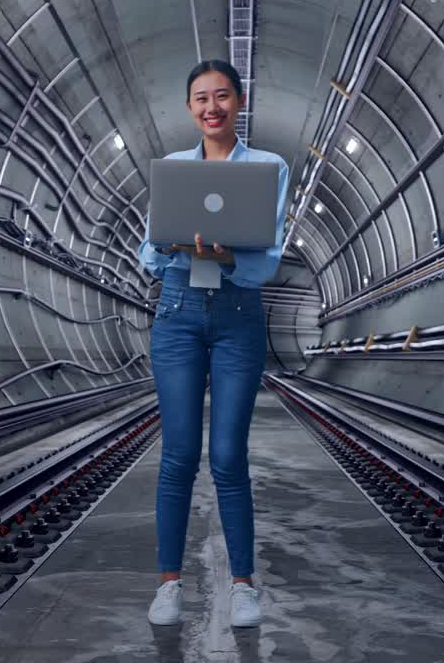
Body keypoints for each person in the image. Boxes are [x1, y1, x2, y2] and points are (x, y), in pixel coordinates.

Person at [136, 59, 289, 628]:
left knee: (228, 455)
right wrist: (177, 246)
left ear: (240, 101)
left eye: (222, 96)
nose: (211, 107)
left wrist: (228, 257)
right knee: (177, 455)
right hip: (176, 312)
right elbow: (147, 255)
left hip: (236, 315)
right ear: (189, 108)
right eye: (201, 98)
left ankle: (244, 586)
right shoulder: (173, 169)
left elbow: (267, 260)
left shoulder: (269, 166)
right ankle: (169, 584)